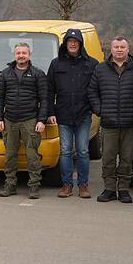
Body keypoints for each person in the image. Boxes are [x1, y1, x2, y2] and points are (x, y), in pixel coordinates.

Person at [47, 28, 99, 198]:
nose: (72, 44)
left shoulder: (92, 64)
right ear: (66, 44)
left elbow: (97, 89)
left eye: (75, 42)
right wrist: (51, 111)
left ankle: (83, 185)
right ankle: (67, 185)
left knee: (83, 151)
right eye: (70, 41)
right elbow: (49, 90)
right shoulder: (56, 64)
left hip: (84, 114)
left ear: (80, 44)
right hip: (63, 115)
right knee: (66, 151)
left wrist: (95, 109)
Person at [87, 36, 133, 204]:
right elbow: (92, 91)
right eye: (116, 47)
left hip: (130, 123)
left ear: (128, 49)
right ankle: (109, 189)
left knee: (127, 158)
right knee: (108, 158)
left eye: (122, 47)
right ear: (111, 49)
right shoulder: (100, 69)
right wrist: (99, 109)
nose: (119, 50)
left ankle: (123, 189)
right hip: (108, 123)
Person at [0, 42, 48, 199]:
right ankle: (10, 185)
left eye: (24, 53)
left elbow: (44, 99)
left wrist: (41, 120)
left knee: (32, 156)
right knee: (10, 155)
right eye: (18, 53)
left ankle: (34, 186)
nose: (21, 56)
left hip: (30, 120)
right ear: (14, 54)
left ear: (29, 54)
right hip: (9, 120)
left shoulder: (38, 74)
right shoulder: (5, 74)